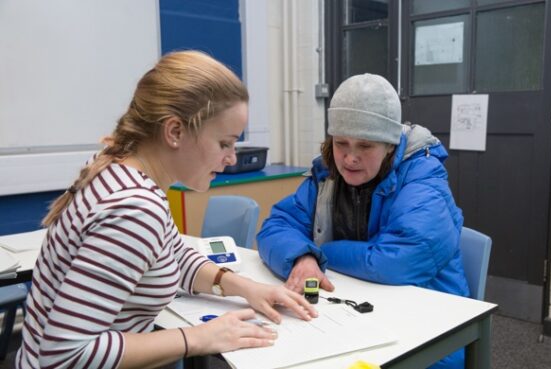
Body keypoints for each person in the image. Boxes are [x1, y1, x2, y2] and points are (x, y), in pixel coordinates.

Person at [15, 50, 317, 369]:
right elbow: (64, 354)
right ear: (175, 132)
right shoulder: (135, 209)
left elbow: (174, 254)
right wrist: (198, 338)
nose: (231, 158)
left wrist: (246, 287)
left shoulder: (120, 170)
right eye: (224, 143)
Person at [257, 73, 469, 369]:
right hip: (357, 316)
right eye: (341, 143)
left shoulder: (423, 176)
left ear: (390, 145)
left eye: (366, 146)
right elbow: (277, 226)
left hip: (430, 334)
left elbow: (397, 261)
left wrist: (321, 253)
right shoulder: (326, 174)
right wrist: (303, 257)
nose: (350, 158)